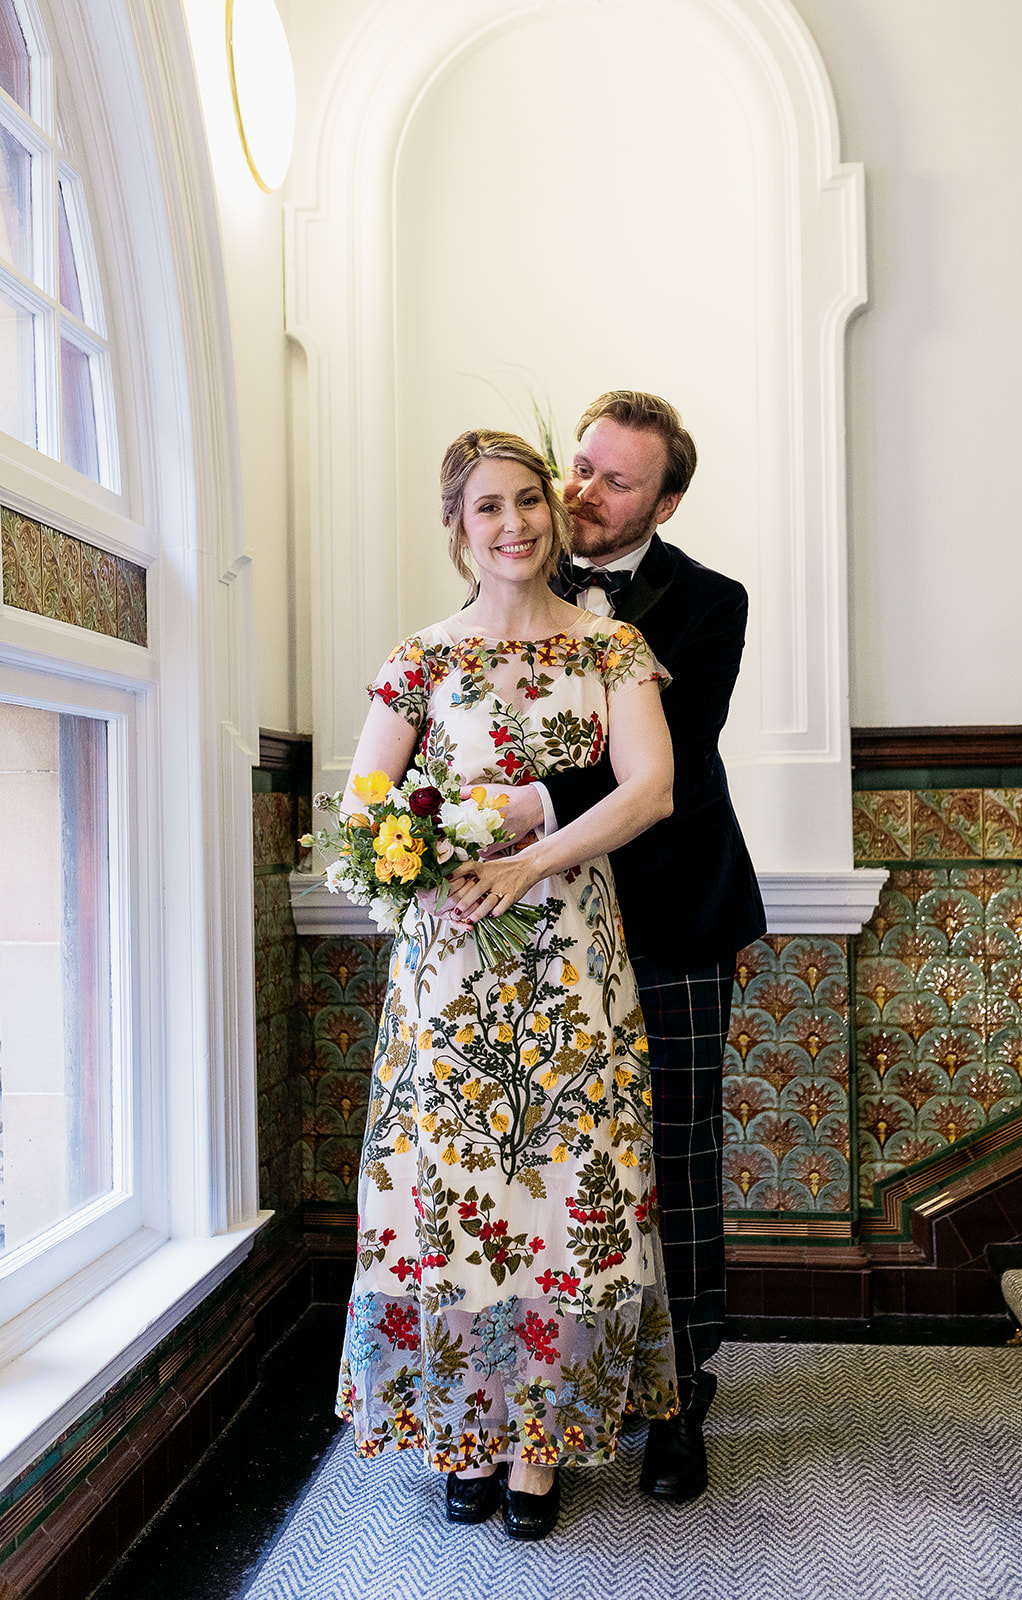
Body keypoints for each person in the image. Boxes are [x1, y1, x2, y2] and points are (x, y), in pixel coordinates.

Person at [335, 428, 679, 1542]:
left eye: (528, 500)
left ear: (550, 508)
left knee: (565, 1184)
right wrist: (419, 863)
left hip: (573, 958)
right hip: (451, 971)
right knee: (459, 1193)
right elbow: (360, 809)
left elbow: (651, 789)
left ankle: (540, 1445)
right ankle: (465, 1431)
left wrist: (533, 855)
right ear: (457, 526)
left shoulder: (610, 649)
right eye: (486, 508)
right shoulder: (420, 659)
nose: (514, 525)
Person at [480, 392, 765, 1503]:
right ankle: (539, 1403)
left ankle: (678, 1401)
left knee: (674, 1158)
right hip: (537, 933)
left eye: (617, 481)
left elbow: (670, 763)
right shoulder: (507, 582)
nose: (584, 494)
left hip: (671, 919)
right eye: (582, 468)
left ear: (666, 500)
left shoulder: (706, 603)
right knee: (548, 1167)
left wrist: (520, 811)